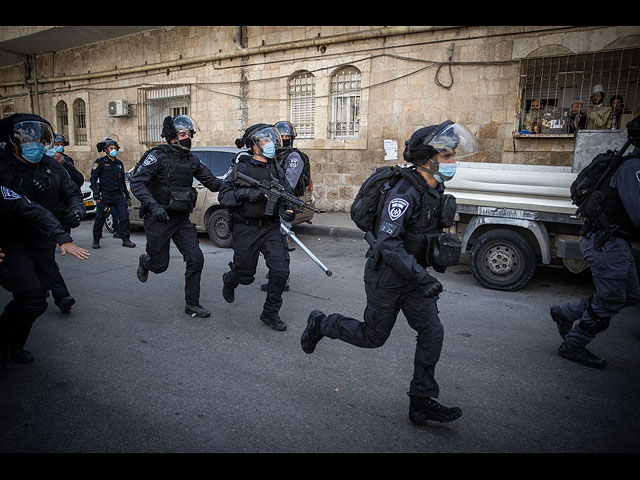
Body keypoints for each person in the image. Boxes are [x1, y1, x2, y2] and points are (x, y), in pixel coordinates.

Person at [300, 121, 479, 425]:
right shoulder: (404, 192)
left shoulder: (434, 189)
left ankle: (421, 401)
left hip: (412, 277)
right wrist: (421, 275)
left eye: (452, 156)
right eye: (447, 156)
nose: (452, 163)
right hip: (388, 276)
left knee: (432, 331)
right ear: (428, 160)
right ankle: (322, 323)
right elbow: (388, 242)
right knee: (373, 337)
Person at [550, 116, 640, 368]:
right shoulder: (634, 169)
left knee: (630, 295)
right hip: (607, 242)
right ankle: (574, 345)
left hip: (611, 241)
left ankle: (566, 313)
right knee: (611, 299)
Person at [0, 114, 89, 368]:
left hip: (42, 242)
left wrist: (76, 211)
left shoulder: (52, 165)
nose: (36, 146)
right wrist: (63, 237)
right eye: (29, 141)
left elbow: (73, 191)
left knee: (38, 302)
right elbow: (25, 207)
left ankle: (14, 343)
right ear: (13, 142)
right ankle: (5, 343)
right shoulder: (3, 168)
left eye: (40, 141)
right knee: (29, 296)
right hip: (13, 241)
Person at [130, 115, 222, 318]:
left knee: (196, 259)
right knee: (159, 266)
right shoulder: (157, 156)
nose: (187, 138)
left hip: (181, 219)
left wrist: (235, 179)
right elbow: (137, 183)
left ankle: (192, 305)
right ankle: (146, 262)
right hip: (159, 219)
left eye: (189, 134)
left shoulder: (191, 160)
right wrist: (153, 206)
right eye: (183, 134)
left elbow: (213, 183)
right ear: (172, 137)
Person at [219, 124, 296, 332]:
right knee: (246, 275)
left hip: (270, 227)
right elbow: (223, 196)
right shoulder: (240, 167)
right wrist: (246, 195)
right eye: (265, 140)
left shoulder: (276, 169)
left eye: (272, 140)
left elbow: (287, 197)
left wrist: (288, 210)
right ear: (254, 146)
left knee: (280, 271)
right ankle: (231, 279)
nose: (271, 144)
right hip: (246, 227)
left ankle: (270, 312)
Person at [260, 120, 309, 292]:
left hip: (285, 205)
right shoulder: (274, 155)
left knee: (281, 241)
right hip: (272, 203)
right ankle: (275, 272)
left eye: (287, 136)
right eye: (281, 137)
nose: (284, 139)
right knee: (270, 241)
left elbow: (288, 182)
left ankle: (283, 279)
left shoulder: (293, 157)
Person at [44, 133, 84, 313]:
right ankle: (60, 295)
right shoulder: (24, 165)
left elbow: (77, 183)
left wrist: (64, 164)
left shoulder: (63, 162)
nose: (55, 147)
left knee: (44, 257)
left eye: (58, 144)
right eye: (53, 143)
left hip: (60, 214)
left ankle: (44, 285)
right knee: (44, 256)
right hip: (38, 217)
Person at [90, 134, 135, 249]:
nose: (113, 150)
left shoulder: (119, 164)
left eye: (115, 148)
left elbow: (122, 181)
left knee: (124, 217)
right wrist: (96, 193)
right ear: (106, 150)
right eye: (111, 148)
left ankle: (126, 239)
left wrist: (127, 195)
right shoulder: (99, 162)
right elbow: (93, 178)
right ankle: (96, 240)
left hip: (117, 195)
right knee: (100, 217)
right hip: (105, 195)